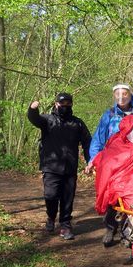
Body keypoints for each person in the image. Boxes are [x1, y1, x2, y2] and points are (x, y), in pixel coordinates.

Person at [85, 84, 133, 247]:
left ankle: (130, 230)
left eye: (124, 94)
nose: (121, 97)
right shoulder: (109, 115)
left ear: (130, 95)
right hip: (113, 161)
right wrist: (94, 159)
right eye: (118, 94)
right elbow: (98, 138)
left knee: (132, 194)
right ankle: (110, 227)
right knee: (112, 194)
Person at [27, 92, 92, 240]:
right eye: (62, 103)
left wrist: (90, 161)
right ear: (56, 104)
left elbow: (88, 142)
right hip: (50, 166)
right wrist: (32, 109)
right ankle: (51, 217)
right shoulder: (48, 120)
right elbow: (34, 118)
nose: (65, 106)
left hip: (70, 167)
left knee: (67, 198)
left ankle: (65, 225)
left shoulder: (77, 123)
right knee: (50, 195)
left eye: (68, 104)